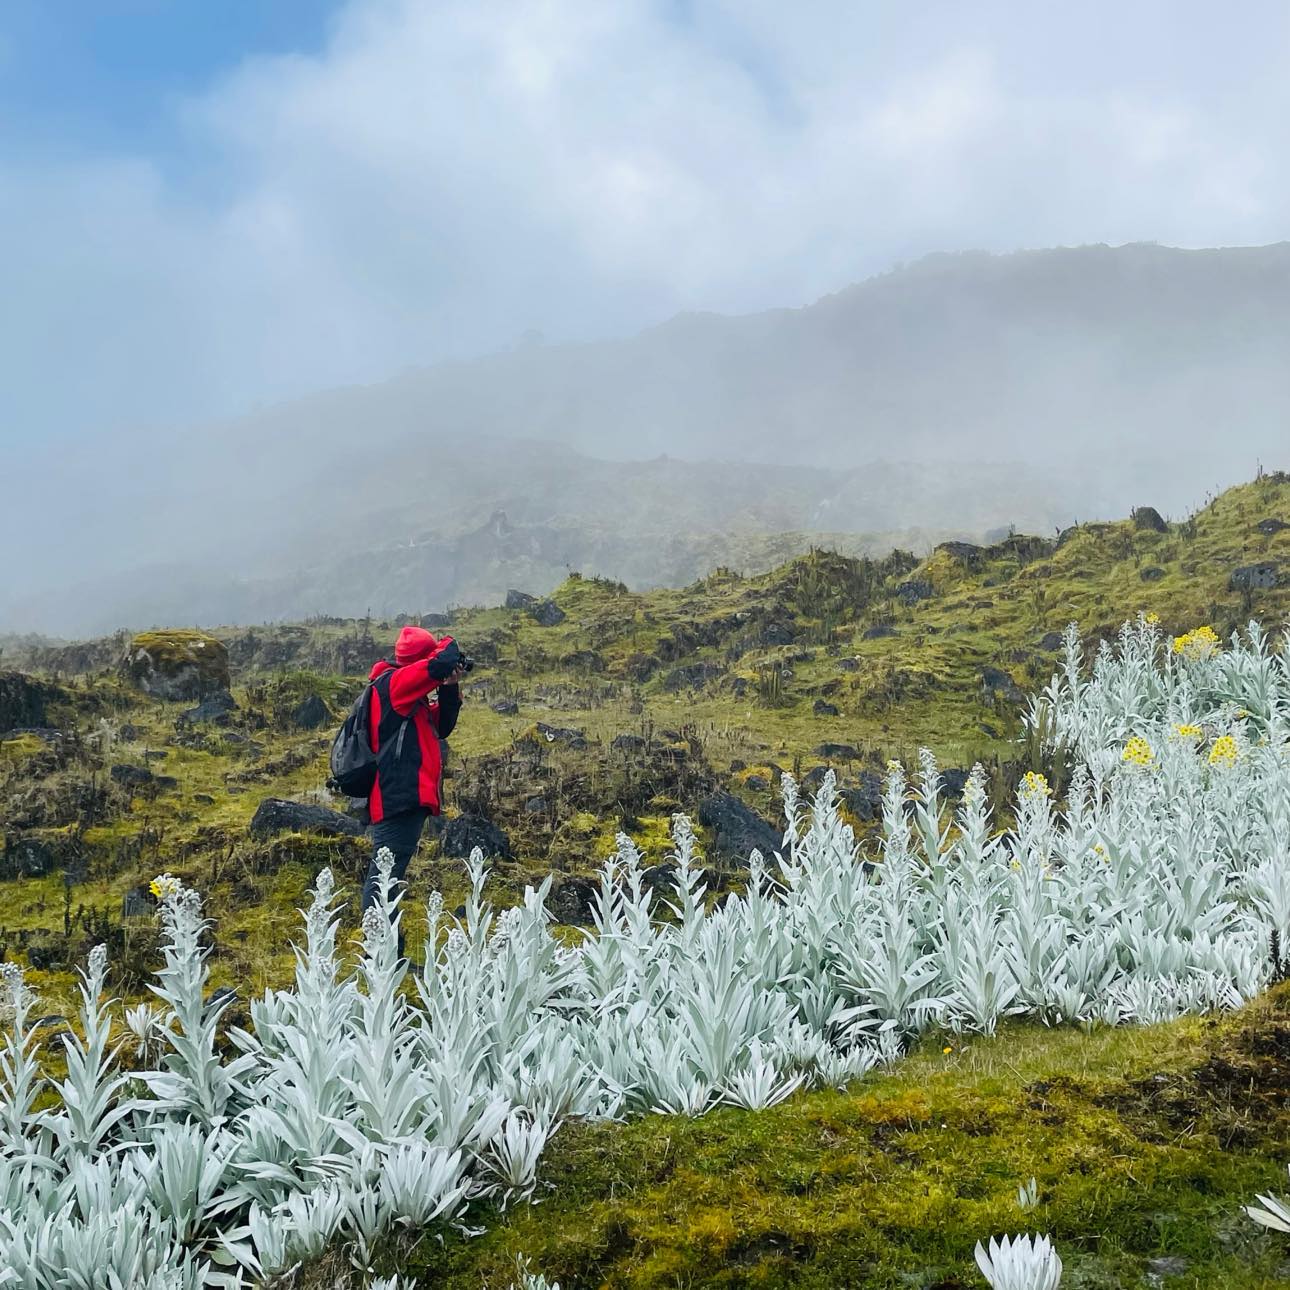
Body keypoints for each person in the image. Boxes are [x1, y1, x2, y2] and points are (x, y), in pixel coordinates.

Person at [361, 624, 466, 914]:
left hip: (403, 795)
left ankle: (388, 953)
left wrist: (449, 687)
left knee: (388, 874)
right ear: (420, 662)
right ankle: (381, 953)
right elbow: (441, 661)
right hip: (398, 795)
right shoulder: (395, 683)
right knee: (384, 876)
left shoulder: (408, 695)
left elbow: (441, 726)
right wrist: (445, 649)